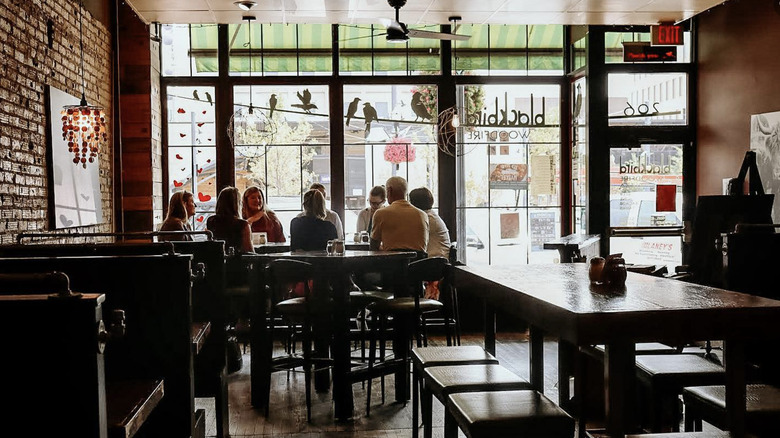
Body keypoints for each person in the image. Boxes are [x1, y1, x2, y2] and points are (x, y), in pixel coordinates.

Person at [370, 176, 428, 256]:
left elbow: (373, 247)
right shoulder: (422, 215)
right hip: (418, 265)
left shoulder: (381, 213)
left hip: (393, 265)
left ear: (389, 191)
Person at [207, 187, 253, 253]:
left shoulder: (211, 221)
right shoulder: (242, 224)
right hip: (237, 260)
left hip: (218, 259)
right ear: (237, 204)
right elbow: (249, 250)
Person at [409, 187, 451, 259]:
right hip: (436, 259)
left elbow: (410, 237)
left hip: (434, 261)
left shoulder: (428, 218)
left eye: (410, 201)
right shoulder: (429, 215)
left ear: (415, 203)